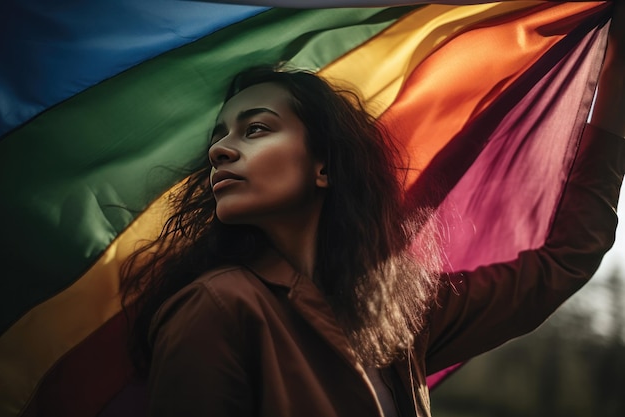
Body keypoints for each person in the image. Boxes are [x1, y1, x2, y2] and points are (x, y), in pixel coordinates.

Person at [120, 2, 625, 416]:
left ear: (324, 166)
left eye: (255, 129)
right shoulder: (218, 306)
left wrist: (617, 82)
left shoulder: (398, 313)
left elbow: (563, 261)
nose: (220, 151)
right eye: (220, 137)